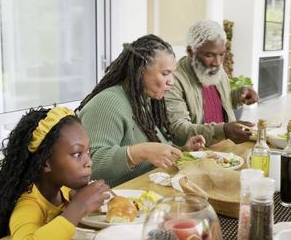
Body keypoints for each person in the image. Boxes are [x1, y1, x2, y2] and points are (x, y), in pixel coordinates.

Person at [77, 34, 205, 187]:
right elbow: (90, 165)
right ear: (141, 70)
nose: (171, 81)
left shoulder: (147, 100)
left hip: (146, 194)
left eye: (172, 73)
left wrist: (182, 150)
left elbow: (151, 157)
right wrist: (141, 152)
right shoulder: (107, 103)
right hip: (113, 203)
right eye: (165, 73)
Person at [0, 107, 110, 240]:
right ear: (45, 163)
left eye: (87, 151)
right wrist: (78, 207)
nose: (89, 162)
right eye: (77, 154)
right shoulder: (28, 205)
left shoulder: (64, 190)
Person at [165, 19, 259, 146]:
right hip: (197, 154)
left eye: (221, 54)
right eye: (209, 55)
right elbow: (179, 131)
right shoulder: (174, 80)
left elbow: (223, 103)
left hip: (227, 149)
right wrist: (223, 130)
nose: (218, 62)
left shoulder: (216, 69)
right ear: (190, 52)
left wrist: (240, 96)